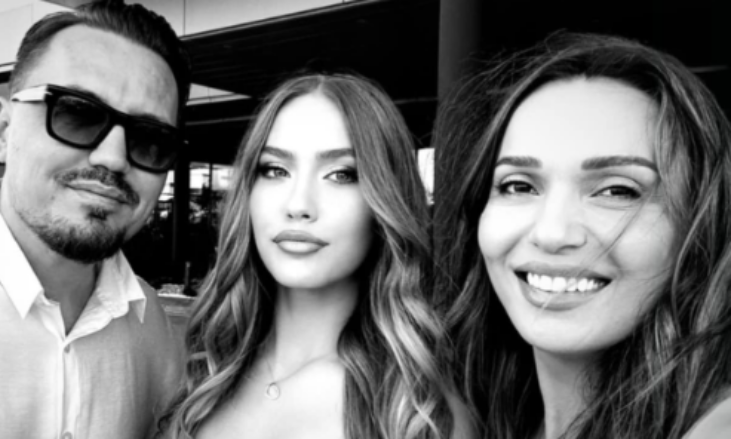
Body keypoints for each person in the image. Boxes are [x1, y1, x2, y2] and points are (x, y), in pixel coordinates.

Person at [433, 33, 731, 439]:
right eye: (519, 186)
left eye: (617, 191)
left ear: (700, 224)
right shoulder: (474, 413)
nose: (552, 233)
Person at [159, 73, 473, 439]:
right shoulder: (205, 368)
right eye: (275, 170)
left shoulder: (417, 412)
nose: (298, 204)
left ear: (385, 200)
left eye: (341, 174)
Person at [0, 1, 191, 438]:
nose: (113, 158)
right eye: (77, 114)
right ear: (4, 130)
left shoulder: (152, 327)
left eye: (151, 139)